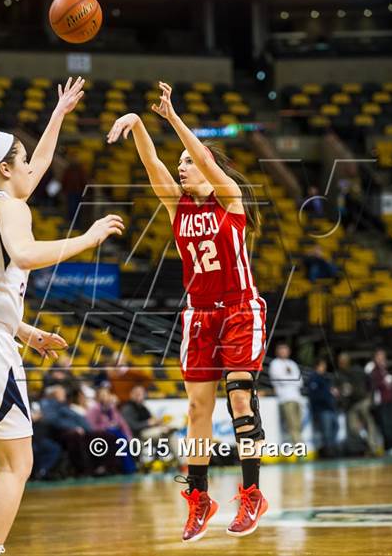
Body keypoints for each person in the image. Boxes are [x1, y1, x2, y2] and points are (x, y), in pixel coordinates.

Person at [107, 81, 268, 542]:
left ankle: (252, 492)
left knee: (240, 398)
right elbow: (150, 161)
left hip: (239, 310)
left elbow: (196, 156)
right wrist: (139, 123)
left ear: (207, 166)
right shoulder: (177, 207)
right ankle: (200, 498)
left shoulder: (230, 199)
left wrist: (174, 118)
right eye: (179, 165)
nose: (181, 169)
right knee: (197, 409)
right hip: (199, 316)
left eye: (189, 163)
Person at [0, 77, 125, 556]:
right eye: (24, 162)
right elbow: (24, 256)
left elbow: (38, 162)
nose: (35, 169)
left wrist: (58, 114)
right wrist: (87, 240)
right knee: (14, 465)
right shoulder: (9, 208)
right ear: (6, 169)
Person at [336, 352, 377, 455]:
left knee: (369, 423)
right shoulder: (339, 375)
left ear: (347, 361)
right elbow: (339, 391)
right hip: (352, 405)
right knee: (353, 427)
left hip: (363, 401)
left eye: (343, 361)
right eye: (340, 362)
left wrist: (369, 395)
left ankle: (372, 447)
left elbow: (370, 381)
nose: (342, 363)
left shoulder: (357, 370)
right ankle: (366, 442)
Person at [365, 349, 392, 455]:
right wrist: (383, 381)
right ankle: (388, 447)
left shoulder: (385, 368)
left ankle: (391, 446)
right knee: (385, 424)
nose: (382, 358)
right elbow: (372, 384)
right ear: (375, 357)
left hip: (390, 399)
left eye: (383, 356)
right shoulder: (372, 369)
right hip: (382, 401)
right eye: (379, 356)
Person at [269, 343, 303, 446]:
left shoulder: (292, 363)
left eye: (286, 350)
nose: (284, 352)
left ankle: (298, 445)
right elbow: (280, 380)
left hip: (297, 397)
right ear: (277, 352)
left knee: (298, 425)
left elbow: (300, 382)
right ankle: (298, 448)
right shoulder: (275, 364)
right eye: (282, 350)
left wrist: (289, 380)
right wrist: (292, 380)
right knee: (292, 425)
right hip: (285, 398)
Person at [308, 358, 340, 458]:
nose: (324, 367)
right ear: (317, 366)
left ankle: (332, 449)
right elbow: (315, 395)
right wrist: (327, 395)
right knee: (326, 431)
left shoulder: (324, 378)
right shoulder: (314, 378)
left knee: (335, 427)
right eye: (322, 365)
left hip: (330, 408)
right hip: (322, 409)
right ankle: (327, 452)